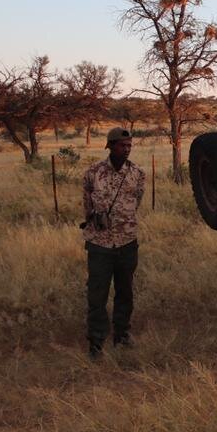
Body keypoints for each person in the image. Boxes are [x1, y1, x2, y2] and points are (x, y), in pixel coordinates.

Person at [81, 127, 146, 358]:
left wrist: (122, 222)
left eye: (129, 146)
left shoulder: (137, 173)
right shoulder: (93, 173)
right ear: (110, 146)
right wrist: (97, 219)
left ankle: (122, 335)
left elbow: (137, 200)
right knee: (97, 295)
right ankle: (96, 342)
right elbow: (87, 204)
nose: (126, 149)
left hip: (127, 242)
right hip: (99, 244)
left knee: (125, 292)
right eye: (121, 145)